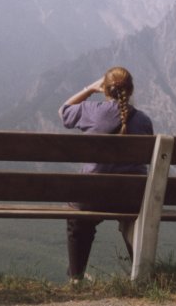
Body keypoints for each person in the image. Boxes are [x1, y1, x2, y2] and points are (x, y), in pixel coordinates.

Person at [58, 66, 154, 282]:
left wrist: (89, 89)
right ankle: (142, 278)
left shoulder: (91, 111)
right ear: (131, 90)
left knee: (79, 219)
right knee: (132, 220)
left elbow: (63, 111)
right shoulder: (143, 121)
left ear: (105, 90)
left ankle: (76, 278)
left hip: (91, 199)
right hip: (130, 199)